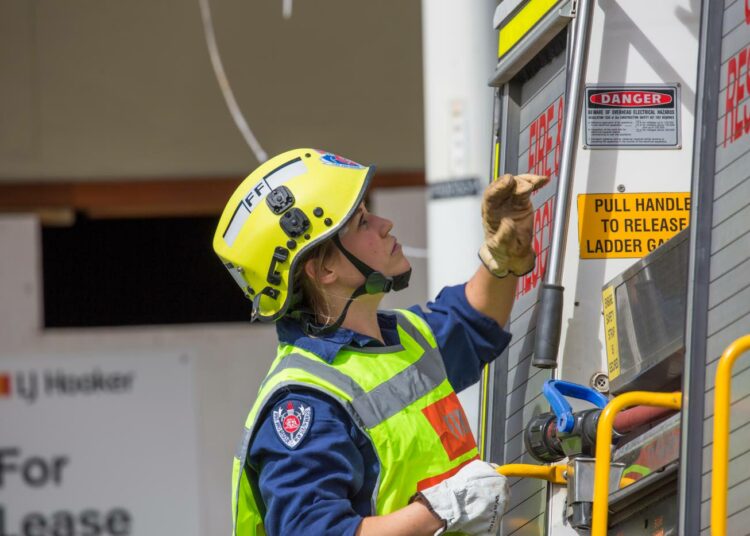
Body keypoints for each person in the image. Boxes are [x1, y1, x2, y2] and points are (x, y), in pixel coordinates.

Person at [213, 148, 547, 536]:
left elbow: (474, 322)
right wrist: (441, 509)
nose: (385, 224)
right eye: (361, 223)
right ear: (323, 269)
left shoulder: (401, 338)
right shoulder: (306, 403)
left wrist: (502, 257)